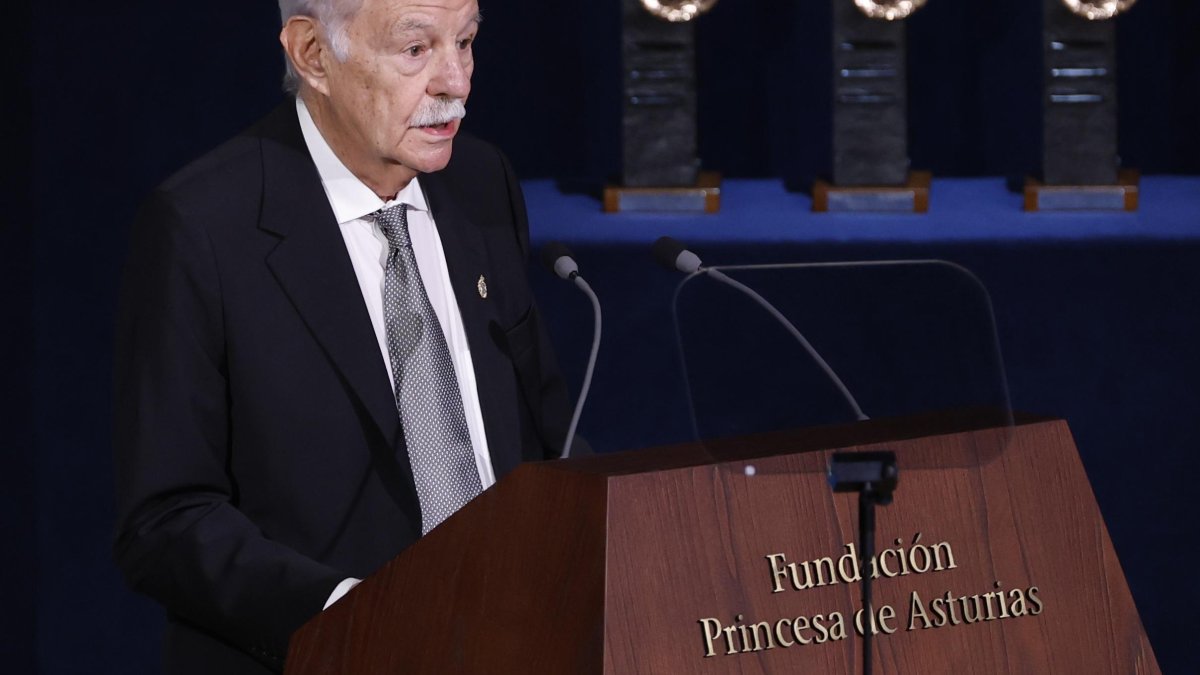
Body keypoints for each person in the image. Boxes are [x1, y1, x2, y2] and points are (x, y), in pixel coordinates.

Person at [112, 0, 573, 672]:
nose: (456, 81)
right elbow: (164, 521)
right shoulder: (204, 229)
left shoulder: (482, 184)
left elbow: (545, 432)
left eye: (467, 42)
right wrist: (353, 613)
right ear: (312, 54)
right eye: (416, 50)